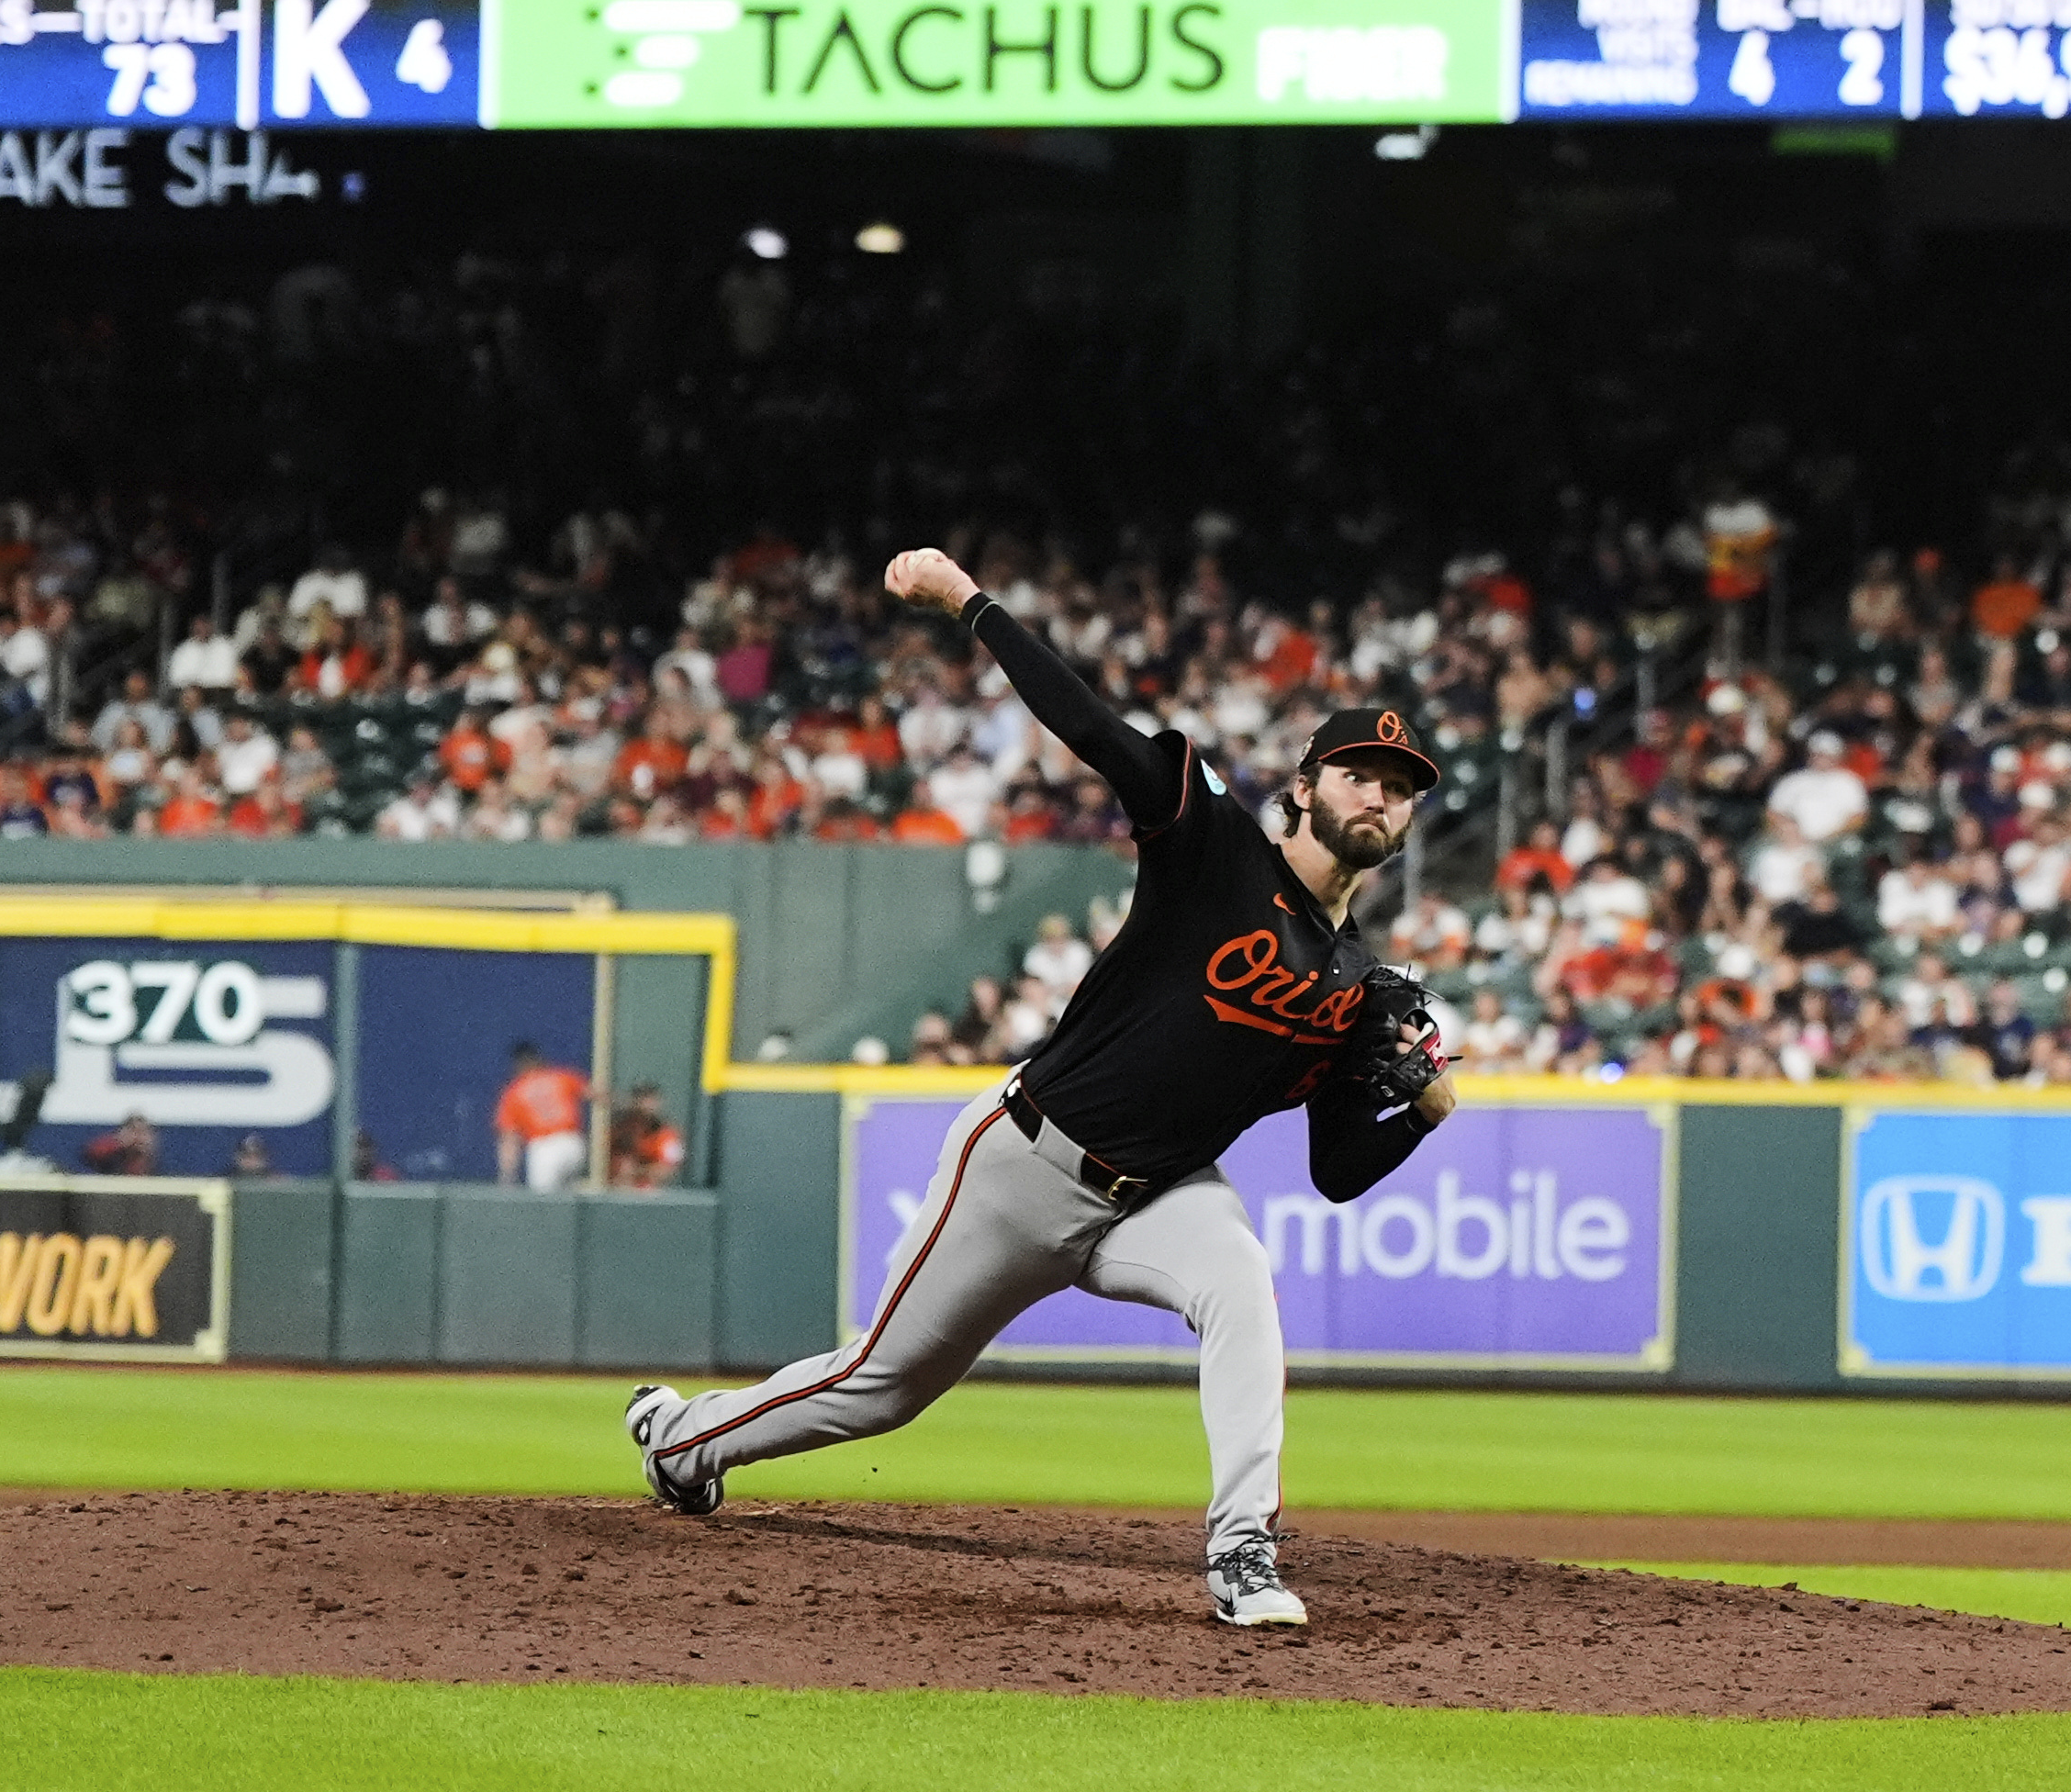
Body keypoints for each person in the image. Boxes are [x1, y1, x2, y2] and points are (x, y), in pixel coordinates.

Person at [623, 548, 1457, 1630]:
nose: (1379, 796)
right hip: (1026, 1161)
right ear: (1306, 787)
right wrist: (972, 603)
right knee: (881, 1386)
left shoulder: (1359, 986)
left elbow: (1337, 1172)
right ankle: (683, 1444)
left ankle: (1244, 1548)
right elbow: (1098, 729)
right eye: (1358, 774)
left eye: (1398, 789)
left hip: (1159, 1194)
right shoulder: (1214, 849)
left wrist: (1420, 1117)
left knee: (1242, 1285)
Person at [495, 1040, 591, 1191]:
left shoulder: (515, 1092)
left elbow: (509, 1138)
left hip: (545, 1148)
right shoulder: (562, 1077)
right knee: (567, 1200)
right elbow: (597, 1094)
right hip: (574, 1144)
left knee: (543, 1206)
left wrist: (507, 1175)